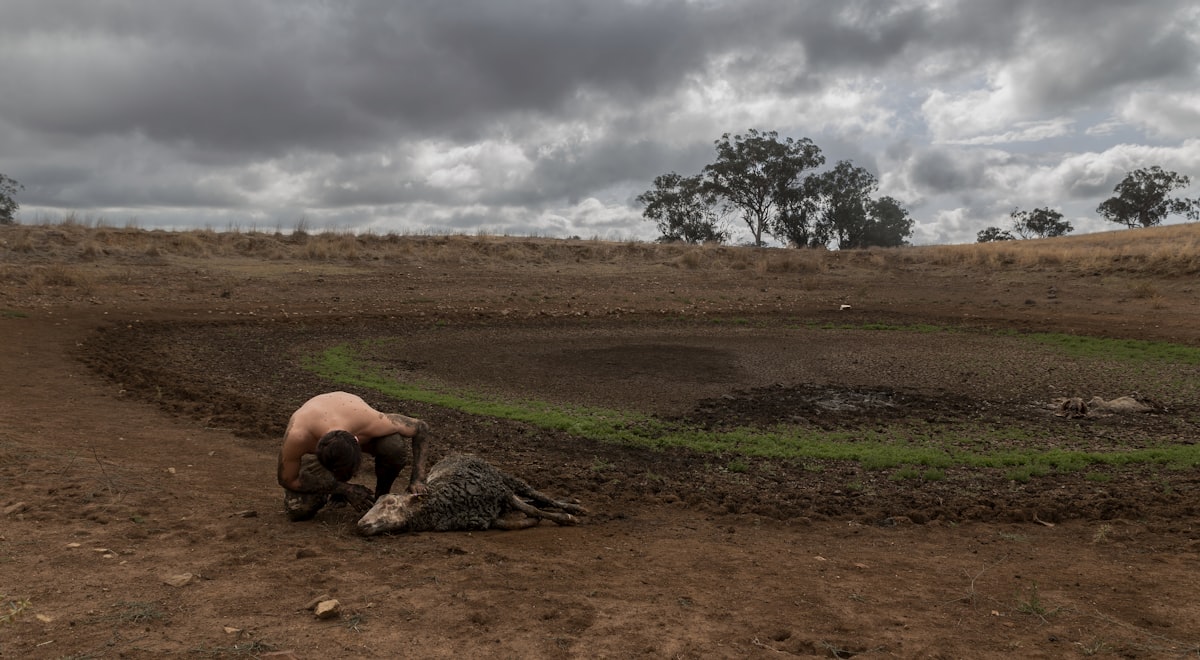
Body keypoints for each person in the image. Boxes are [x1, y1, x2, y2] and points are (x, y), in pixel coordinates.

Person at [277, 391, 431, 522]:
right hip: (318, 437)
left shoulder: (370, 420)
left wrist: (417, 479)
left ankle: (380, 495)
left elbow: (421, 427)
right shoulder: (298, 435)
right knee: (298, 509)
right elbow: (286, 479)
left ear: (358, 442)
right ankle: (331, 493)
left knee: (393, 446)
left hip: (351, 414)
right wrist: (343, 489)